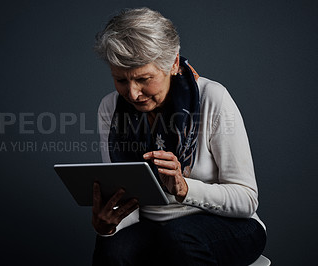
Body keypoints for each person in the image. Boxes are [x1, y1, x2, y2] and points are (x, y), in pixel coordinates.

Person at [92, 7, 266, 266]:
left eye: (144, 79)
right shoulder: (110, 107)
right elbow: (128, 199)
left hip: (228, 224)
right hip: (152, 225)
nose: (133, 93)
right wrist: (107, 223)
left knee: (179, 242)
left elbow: (246, 200)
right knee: (111, 249)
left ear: (172, 64)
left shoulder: (212, 98)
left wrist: (185, 188)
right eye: (120, 80)